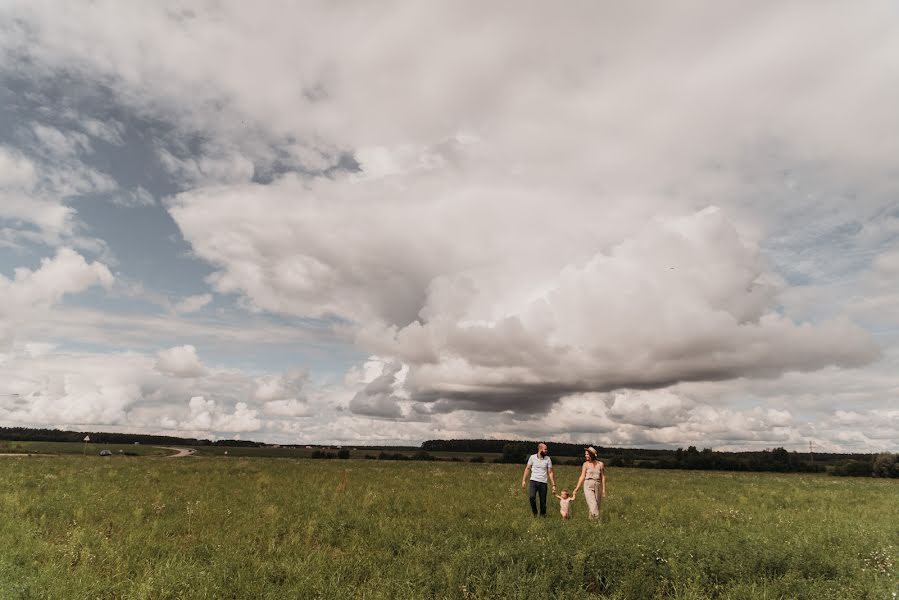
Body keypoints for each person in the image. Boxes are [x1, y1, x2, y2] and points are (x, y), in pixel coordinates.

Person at [521, 442, 556, 517]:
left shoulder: (548, 459)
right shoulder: (532, 457)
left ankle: (543, 516)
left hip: (543, 482)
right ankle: (535, 513)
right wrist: (524, 480)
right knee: (531, 497)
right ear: (540, 449)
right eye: (545, 449)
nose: (547, 451)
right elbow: (527, 469)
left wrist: (553, 485)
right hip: (533, 481)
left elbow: (550, 472)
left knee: (543, 502)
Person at [572, 446, 606, 520]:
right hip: (588, 484)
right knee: (593, 504)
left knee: (597, 505)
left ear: (592, 455)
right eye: (585, 454)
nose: (585, 456)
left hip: (598, 484)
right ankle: (597, 521)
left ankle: (591, 522)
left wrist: (603, 489)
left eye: (587, 454)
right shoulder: (585, 464)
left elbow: (603, 477)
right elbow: (582, 476)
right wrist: (576, 488)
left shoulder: (600, 464)